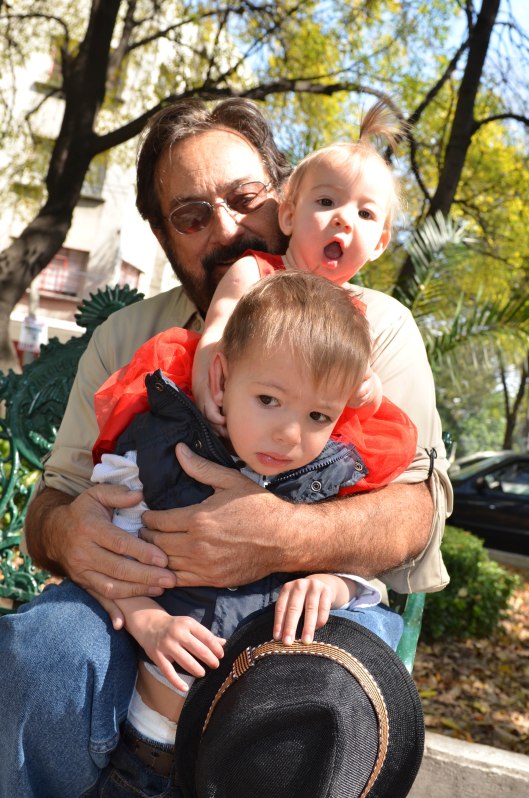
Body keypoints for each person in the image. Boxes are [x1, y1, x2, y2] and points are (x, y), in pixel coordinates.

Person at [0, 97, 451, 798]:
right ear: (161, 233)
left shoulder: (370, 330)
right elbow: (53, 503)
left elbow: (413, 512)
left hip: (293, 612)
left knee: (316, 704)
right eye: (191, 215)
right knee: (44, 652)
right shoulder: (130, 340)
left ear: (283, 198)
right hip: (141, 593)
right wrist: (66, 531)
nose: (228, 227)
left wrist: (286, 536)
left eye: (247, 199)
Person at [88, 271, 417, 791]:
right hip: (146, 743)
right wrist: (147, 621)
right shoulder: (161, 453)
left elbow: (366, 586)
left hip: (244, 754)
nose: (289, 434)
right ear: (220, 380)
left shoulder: (329, 480)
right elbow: (108, 552)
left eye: (317, 415)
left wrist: (331, 584)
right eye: (268, 400)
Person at [192, 100, 398, 424]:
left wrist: (367, 391)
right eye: (327, 201)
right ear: (288, 215)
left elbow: (357, 412)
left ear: (379, 245)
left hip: (300, 443)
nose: (345, 219)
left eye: (365, 213)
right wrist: (205, 382)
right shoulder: (255, 273)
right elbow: (216, 329)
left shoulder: (356, 320)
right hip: (235, 418)